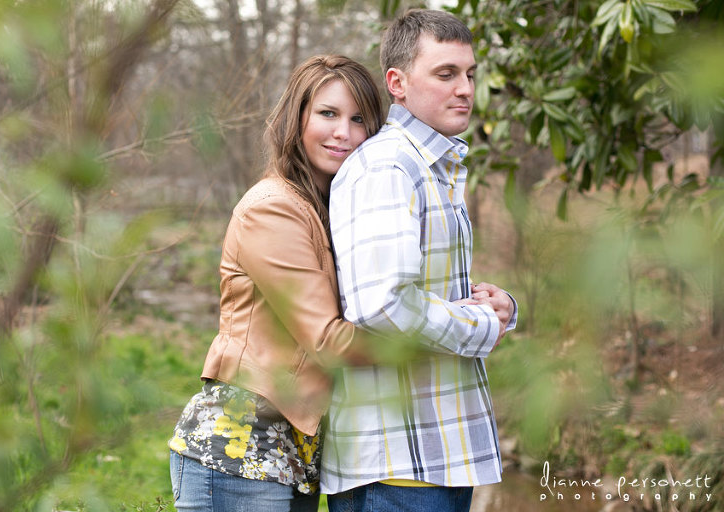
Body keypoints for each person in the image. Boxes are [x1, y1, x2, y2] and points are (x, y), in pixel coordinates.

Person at [167, 55, 385, 512]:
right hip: (239, 456)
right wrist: (442, 339)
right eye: (328, 113)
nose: (343, 132)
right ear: (296, 118)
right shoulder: (273, 208)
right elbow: (328, 339)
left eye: (358, 119)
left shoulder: (326, 210)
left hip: (291, 459)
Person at [321, 9, 519, 512]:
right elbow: (383, 304)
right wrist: (479, 327)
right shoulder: (388, 165)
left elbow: (422, 287)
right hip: (398, 466)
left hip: (435, 457)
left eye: (470, 74)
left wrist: (494, 307)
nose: (465, 89)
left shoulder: (431, 164)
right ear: (398, 83)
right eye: (446, 74)